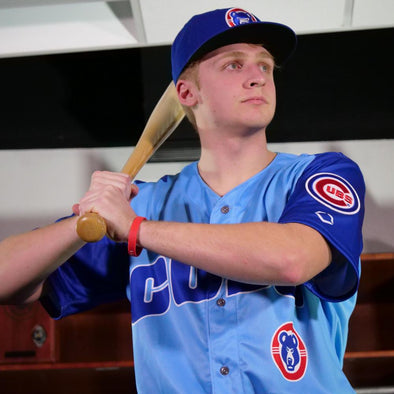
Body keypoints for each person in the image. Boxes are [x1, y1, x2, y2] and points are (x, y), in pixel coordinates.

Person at [0, 7, 365, 393]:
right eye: (233, 65)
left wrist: (136, 228)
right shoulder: (143, 203)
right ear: (187, 93)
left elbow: (292, 260)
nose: (258, 77)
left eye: (265, 65)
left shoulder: (320, 175)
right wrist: (85, 220)